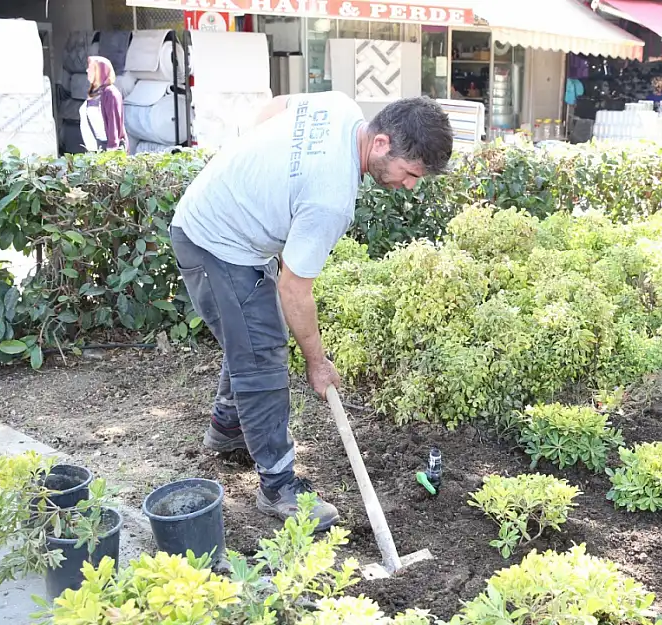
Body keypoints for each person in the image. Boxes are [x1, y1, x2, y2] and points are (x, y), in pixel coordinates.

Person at [170, 93, 453, 531]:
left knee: (249, 333)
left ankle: (228, 429)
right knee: (263, 356)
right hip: (215, 241)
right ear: (380, 144)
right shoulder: (331, 198)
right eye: (410, 172)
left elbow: (273, 108)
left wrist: (259, 178)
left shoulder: (340, 107)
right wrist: (318, 364)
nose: (410, 186)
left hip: (221, 224)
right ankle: (278, 487)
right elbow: (295, 289)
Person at [79, 56, 127, 152]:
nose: (87, 70)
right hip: (97, 149)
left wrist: (111, 151)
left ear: (100, 71)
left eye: (91, 68)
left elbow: (113, 121)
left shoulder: (110, 93)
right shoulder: (94, 93)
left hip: (109, 151)